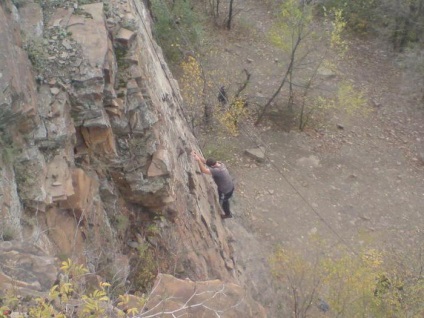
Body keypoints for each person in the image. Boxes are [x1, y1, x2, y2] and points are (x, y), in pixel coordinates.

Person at [192, 151, 234, 219]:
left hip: (226, 190)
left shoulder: (218, 171)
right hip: (229, 185)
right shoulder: (219, 164)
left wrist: (198, 160)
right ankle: (222, 201)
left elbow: (204, 170)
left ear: (212, 166)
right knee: (222, 198)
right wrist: (197, 155)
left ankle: (228, 214)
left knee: (225, 202)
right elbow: (206, 161)